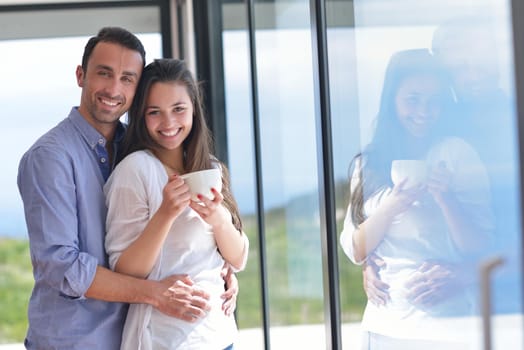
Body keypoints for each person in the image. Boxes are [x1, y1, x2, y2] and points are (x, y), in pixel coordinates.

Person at [17, 27, 238, 350]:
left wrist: (219, 268)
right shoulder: (50, 157)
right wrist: (157, 293)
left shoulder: (135, 146)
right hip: (75, 341)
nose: (113, 88)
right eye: (104, 74)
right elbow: (62, 267)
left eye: (128, 78)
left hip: (134, 336)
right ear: (81, 75)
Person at [339, 48, 494, 349]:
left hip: (448, 325)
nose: (423, 111)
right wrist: (394, 204)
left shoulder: (456, 153)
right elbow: (357, 249)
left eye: (433, 102)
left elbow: (479, 245)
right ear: (392, 101)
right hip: (384, 324)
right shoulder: (368, 163)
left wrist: (446, 200)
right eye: (413, 100)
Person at [104, 58, 249, 350]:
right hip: (165, 339)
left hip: (221, 336)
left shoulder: (210, 168)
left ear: (194, 108)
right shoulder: (135, 170)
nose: (169, 123)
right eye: (154, 112)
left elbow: (238, 259)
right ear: (141, 116)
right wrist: (166, 213)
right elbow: (126, 272)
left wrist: (219, 220)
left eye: (179, 109)